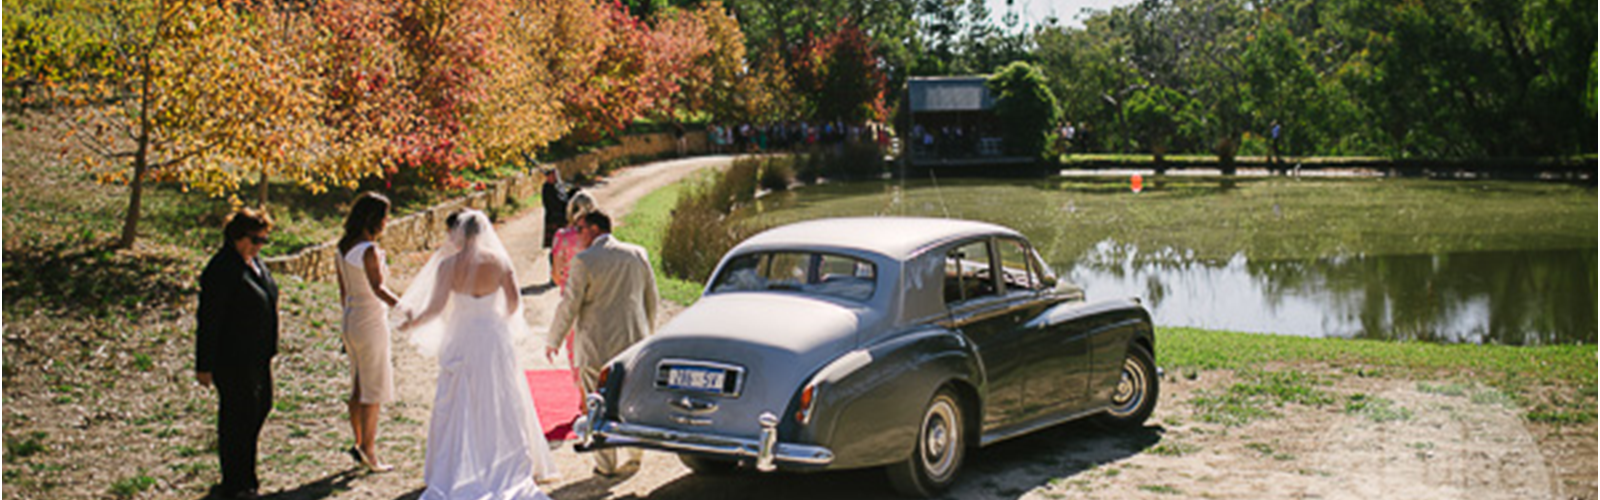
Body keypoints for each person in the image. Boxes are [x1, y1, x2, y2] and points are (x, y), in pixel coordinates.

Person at [397, 209, 559, 499]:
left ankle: (456, 466)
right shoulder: (499, 261)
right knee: (501, 398)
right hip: (493, 337)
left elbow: (435, 308)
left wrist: (413, 323)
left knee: (459, 401)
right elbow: (513, 304)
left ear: (459, 233)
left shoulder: (448, 265)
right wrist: (495, 319)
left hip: (463, 337)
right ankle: (502, 460)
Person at [544, 211, 657, 477]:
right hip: (633, 341)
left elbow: (569, 304)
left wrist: (554, 339)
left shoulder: (584, 261)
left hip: (596, 343)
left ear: (594, 229)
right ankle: (634, 456)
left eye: (580, 228)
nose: (577, 234)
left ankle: (606, 465)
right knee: (632, 400)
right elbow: (651, 298)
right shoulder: (637, 254)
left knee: (596, 402)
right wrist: (648, 334)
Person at [195, 208, 279, 499]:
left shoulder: (255, 263)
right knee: (236, 417)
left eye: (263, 240)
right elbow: (209, 319)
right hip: (232, 357)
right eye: (255, 240)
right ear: (237, 237)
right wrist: (204, 364)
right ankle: (235, 482)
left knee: (260, 408)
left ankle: (246, 475)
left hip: (257, 355)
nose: (259, 246)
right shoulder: (221, 269)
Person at [335, 192, 399, 473]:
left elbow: (343, 292)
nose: (387, 221)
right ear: (375, 219)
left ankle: (359, 441)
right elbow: (378, 288)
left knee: (358, 384)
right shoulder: (369, 250)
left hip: (351, 319)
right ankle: (370, 451)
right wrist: (405, 306)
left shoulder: (342, 248)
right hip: (371, 321)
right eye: (385, 216)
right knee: (373, 388)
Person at [540, 168, 570, 282]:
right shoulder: (547, 189)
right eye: (551, 176)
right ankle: (554, 274)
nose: (553, 178)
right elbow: (553, 204)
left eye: (555, 175)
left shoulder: (560, 186)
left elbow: (564, 198)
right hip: (553, 220)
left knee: (565, 249)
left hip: (563, 220)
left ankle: (564, 273)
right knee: (554, 250)